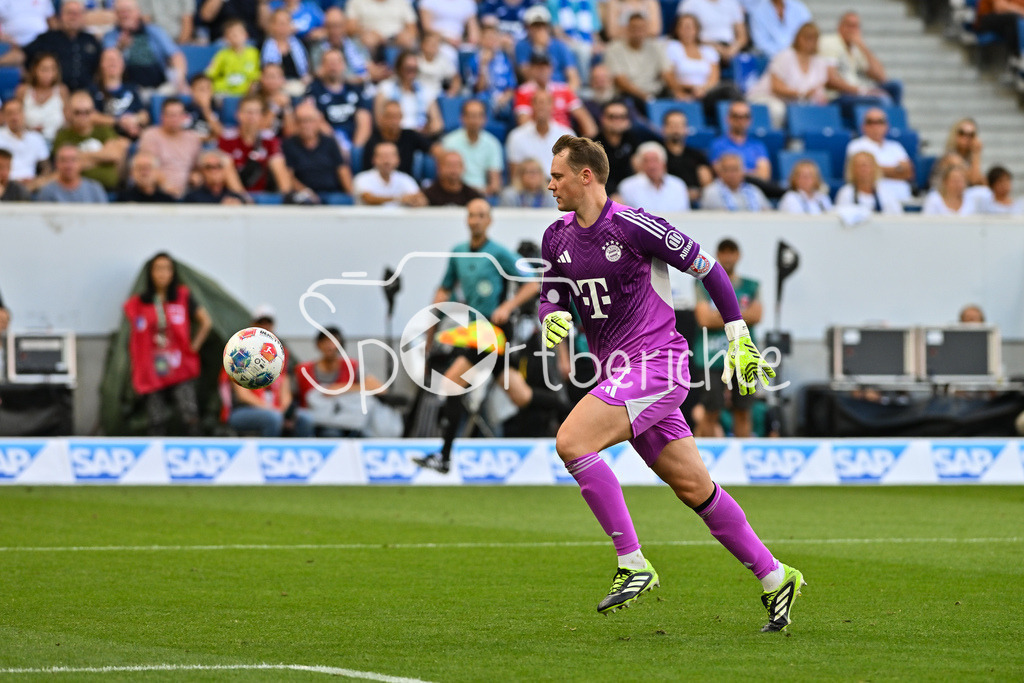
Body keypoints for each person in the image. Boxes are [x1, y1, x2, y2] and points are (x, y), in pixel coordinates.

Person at [538, 134, 802, 629]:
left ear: (585, 176)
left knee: (572, 442)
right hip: (619, 373)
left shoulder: (636, 226)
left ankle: (632, 563)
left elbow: (708, 267)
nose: (549, 184)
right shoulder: (556, 237)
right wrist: (550, 315)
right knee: (694, 487)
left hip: (658, 366)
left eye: (557, 175)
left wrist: (737, 331)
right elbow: (551, 290)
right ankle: (775, 575)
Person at [414, 198, 563, 474]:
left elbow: (532, 283)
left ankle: (444, 457)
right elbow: (444, 290)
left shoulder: (500, 253)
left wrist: (507, 306)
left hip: (492, 332)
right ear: (466, 219)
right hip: (474, 332)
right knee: (520, 394)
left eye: (482, 215)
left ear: (489, 220)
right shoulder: (458, 252)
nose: (476, 220)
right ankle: (567, 406)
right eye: (472, 215)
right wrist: (432, 324)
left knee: (450, 383)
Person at [124, 252, 211, 436]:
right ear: (151, 273)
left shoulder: (182, 296)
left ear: (173, 273)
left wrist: (193, 347)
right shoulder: (140, 303)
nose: (162, 273)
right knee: (156, 418)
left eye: (166, 269)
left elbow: (206, 322)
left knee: (190, 413)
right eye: (158, 269)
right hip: (153, 367)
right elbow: (134, 338)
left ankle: (196, 452)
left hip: (179, 364)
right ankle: (155, 457)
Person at [747, 22, 879, 131]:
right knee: (778, 110)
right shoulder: (785, 56)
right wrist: (802, 94)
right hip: (768, 98)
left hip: (797, 105)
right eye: (806, 37)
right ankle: (777, 140)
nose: (810, 42)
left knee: (821, 114)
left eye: (814, 38)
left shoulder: (819, 62)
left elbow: (819, 92)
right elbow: (776, 87)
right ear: (798, 38)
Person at [692, 238, 762, 438]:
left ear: (738, 255)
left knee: (743, 410)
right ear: (718, 254)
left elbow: (757, 315)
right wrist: (740, 314)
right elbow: (704, 318)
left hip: (743, 355)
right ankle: (709, 459)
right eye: (724, 252)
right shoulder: (704, 285)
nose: (728, 256)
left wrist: (720, 315)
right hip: (712, 356)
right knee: (711, 409)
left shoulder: (751, 285)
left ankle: (740, 458)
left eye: (732, 252)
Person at [224, 309, 314, 437]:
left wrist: (285, 411)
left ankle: (305, 454)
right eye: (260, 323)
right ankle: (269, 455)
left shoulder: (281, 354)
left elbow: (285, 390)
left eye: (268, 323)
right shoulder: (238, 351)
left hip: (275, 409)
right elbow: (242, 395)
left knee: (306, 418)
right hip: (243, 410)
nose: (265, 327)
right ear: (252, 325)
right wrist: (273, 410)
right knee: (274, 418)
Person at [295, 325, 386, 436]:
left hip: (346, 421)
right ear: (318, 344)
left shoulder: (352, 367)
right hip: (313, 420)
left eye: (334, 342)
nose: (330, 346)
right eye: (325, 341)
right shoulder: (303, 370)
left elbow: (380, 389)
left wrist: (343, 388)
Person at [665, 14, 742, 125]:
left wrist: (703, 89)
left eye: (690, 27)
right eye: (683, 27)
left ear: (697, 30)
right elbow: (669, 76)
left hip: (705, 94)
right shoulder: (672, 47)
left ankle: (741, 119)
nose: (687, 31)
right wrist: (690, 88)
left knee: (729, 87)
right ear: (677, 29)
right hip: (683, 92)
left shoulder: (708, 51)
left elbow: (714, 78)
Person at [819, 11, 902, 106]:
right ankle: (878, 120)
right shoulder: (830, 42)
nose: (853, 30)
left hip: (859, 92)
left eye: (856, 26)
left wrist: (863, 47)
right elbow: (831, 80)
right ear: (840, 27)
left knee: (896, 86)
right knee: (882, 100)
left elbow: (881, 77)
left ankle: (888, 120)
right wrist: (863, 91)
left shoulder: (856, 48)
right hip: (839, 95)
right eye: (849, 25)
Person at [103, 0, 187, 94]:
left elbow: (176, 55)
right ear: (115, 14)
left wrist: (179, 80)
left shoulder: (154, 30)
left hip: (160, 86)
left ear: (138, 12)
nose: (125, 15)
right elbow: (108, 62)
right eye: (121, 12)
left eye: (128, 11)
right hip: (129, 89)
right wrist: (120, 49)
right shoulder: (111, 36)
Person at [52, 90, 129, 192]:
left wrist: (79, 159)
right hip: (74, 191)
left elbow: (114, 155)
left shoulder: (104, 130)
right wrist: (102, 157)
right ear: (69, 112)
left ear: (93, 112)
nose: (82, 117)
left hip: (109, 190)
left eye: (87, 112)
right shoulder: (63, 135)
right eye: (77, 112)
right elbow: (62, 166)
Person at [218, 94, 292, 194]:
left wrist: (286, 194)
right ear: (238, 114)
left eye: (256, 112)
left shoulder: (268, 138)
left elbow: (278, 166)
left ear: (262, 116)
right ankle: (243, 198)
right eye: (248, 112)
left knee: (278, 161)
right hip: (234, 196)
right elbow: (226, 168)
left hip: (264, 193)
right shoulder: (227, 137)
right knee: (224, 161)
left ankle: (287, 199)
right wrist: (243, 199)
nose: (251, 116)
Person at [21, 1, 102, 92]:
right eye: (69, 13)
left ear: (83, 17)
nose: (73, 17)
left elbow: (100, 69)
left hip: (86, 93)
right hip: (54, 93)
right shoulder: (47, 38)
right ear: (61, 16)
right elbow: (24, 57)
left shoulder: (91, 40)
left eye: (77, 13)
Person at [513, 53, 597, 139]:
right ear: (531, 69)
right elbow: (523, 122)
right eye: (538, 67)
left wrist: (585, 143)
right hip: (537, 135)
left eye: (545, 67)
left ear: (551, 68)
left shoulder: (563, 90)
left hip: (564, 137)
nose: (542, 70)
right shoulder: (523, 92)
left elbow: (584, 118)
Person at [305, 48, 372, 153]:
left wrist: (356, 149)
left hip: (354, 141)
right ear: (322, 66)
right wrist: (338, 146)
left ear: (344, 65)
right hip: (328, 144)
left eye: (336, 62)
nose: (333, 66)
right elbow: (317, 121)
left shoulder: (354, 88)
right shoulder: (314, 89)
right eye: (329, 63)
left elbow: (364, 120)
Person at [604, 13, 672, 114]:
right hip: (630, 94)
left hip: (655, 93)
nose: (638, 31)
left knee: (672, 98)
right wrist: (645, 97)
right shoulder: (614, 48)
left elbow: (667, 73)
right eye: (634, 28)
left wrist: (680, 93)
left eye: (641, 28)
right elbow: (620, 81)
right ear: (627, 29)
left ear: (647, 29)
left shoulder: (656, 47)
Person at [282, 101, 351, 200]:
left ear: (319, 122)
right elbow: (289, 176)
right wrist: (306, 192)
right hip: (304, 196)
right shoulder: (289, 144)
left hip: (332, 193)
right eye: (300, 121)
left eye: (309, 120)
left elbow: (342, 169)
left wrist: (351, 195)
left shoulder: (329, 142)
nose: (305, 125)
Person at [137, 96, 204, 198]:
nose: (174, 119)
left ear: (184, 117)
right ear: (162, 116)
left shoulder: (193, 138)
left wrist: (196, 176)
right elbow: (146, 167)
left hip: (188, 192)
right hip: (157, 192)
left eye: (178, 115)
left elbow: (196, 168)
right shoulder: (150, 135)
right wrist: (166, 187)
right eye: (171, 115)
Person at [845, 106, 914, 203]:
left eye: (880, 122)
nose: (875, 126)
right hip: (877, 201)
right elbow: (863, 173)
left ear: (887, 125)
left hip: (903, 198)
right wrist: (897, 169)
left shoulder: (896, 146)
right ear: (863, 126)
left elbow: (909, 173)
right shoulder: (856, 145)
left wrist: (877, 169)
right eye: (870, 122)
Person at [505, 90, 575, 182]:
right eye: (538, 103)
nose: (542, 107)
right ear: (532, 106)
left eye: (546, 103)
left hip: (558, 188)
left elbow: (572, 171)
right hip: (527, 188)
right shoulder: (516, 136)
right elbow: (515, 176)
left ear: (553, 106)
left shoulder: (567, 135)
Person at [440, 98, 504, 196]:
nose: (474, 120)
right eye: (471, 116)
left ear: (485, 119)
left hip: (482, 194)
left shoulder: (493, 144)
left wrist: (482, 191)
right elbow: (444, 176)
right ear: (462, 118)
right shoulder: (449, 142)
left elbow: (495, 184)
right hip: (455, 193)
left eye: (479, 116)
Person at [373, 50, 444, 137]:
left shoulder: (425, 90)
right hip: (396, 135)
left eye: (414, 69)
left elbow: (437, 122)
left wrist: (428, 131)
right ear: (399, 68)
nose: (411, 73)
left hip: (420, 136)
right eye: (408, 68)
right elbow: (379, 120)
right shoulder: (386, 88)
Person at [594, 99, 658, 195]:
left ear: (627, 120)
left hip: (632, 193)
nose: (617, 121)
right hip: (604, 195)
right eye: (612, 117)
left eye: (622, 117)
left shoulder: (634, 140)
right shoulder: (593, 146)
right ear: (603, 119)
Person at [708, 100, 773, 193]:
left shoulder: (758, 145)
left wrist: (735, 171)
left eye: (745, 117)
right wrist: (753, 172)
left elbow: (764, 175)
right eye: (736, 116)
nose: (740, 121)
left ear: (750, 120)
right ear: (728, 118)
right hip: (728, 190)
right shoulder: (718, 145)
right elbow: (722, 173)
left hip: (757, 189)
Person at [514, 5, 581, 92]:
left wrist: (566, 96)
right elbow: (528, 77)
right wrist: (539, 48)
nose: (539, 29)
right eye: (535, 26)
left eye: (542, 25)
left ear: (548, 27)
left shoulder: (560, 46)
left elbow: (573, 77)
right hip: (536, 93)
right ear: (528, 28)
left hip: (560, 90)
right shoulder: (521, 46)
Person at [361, 99, 435, 176]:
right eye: (390, 116)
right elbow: (368, 172)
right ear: (382, 118)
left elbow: (434, 149)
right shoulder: (372, 140)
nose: (394, 121)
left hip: (405, 182)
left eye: (397, 116)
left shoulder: (410, 135)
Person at [91, 47, 149, 140]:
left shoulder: (132, 88)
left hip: (135, 135)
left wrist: (134, 119)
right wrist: (118, 121)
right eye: (108, 59)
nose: (112, 62)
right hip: (108, 137)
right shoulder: (93, 90)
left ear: (123, 64)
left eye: (116, 59)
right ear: (101, 64)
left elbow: (144, 115)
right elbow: (91, 116)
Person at [616, 141, 691, 213]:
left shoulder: (678, 185)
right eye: (646, 161)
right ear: (640, 164)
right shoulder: (628, 186)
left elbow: (686, 216)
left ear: (663, 163)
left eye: (655, 160)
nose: (651, 166)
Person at [661, 109, 712, 205]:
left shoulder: (697, 155)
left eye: (680, 125)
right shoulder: (658, 155)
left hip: (695, 202)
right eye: (672, 125)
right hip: (665, 200)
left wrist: (699, 192)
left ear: (686, 129)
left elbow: (707, 183)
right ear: (664, 128)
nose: (676, 130)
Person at [15, 52, 68, 144]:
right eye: (44, 69)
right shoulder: (23, 91)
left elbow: (68, 120)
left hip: (56, 142)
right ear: (35, 70)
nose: (48, 74)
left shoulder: (62, 91)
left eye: (52, 69)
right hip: (27, 141)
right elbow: (15, 116)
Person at [352, 140, 425, 206]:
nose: (386, 161)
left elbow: (420, 198)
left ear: (398, 159)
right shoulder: (362, 178)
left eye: (391, 156)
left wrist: (418, 201)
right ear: (373, 159)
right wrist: (399, 199)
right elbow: (368, 199)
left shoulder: (406, 179)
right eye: (382, 156)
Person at [675, 0, 748, 64]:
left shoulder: (732, 3)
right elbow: (683, 32)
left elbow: (742, 35)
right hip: (702, 46)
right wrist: (715, 47)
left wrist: (732, 49)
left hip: (730, 47)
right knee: (710, 55)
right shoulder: (690, 3)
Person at [0, 99, 51, 190]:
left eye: (17, 112)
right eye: (10, 113)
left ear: (24, 114)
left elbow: (46, 168)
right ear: (3, 116)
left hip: (33, 186)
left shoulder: (36, 138)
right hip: (5, 185)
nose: (14, 117)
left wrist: (38, 181)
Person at [833, 150, 903, 215]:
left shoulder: (887, 193)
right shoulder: (846, 193)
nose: (863, 170)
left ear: (874, 168)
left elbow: (897, 219)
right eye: (858, 166)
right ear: (852, 170)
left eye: (865, 165)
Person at [260, 7, 311, 96]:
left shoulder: (301, 44)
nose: (283, 26)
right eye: (280, 23)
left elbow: (307, 70)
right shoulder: (262, 46)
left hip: (299, 83)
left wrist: (306, 78)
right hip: (274, 86)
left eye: (286, 23)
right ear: (272, 25)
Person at [206, 18, 261, 97]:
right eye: (231, 34)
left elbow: (258, 73)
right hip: (226, 91)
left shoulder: (254, 53)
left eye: (239, 33)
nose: (235, 36)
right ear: (226, 38)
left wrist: (254, 84)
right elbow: (210, 73)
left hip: (248, 91)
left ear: (246, 35)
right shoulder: (222, 54)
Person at [36, 144, 109, 202]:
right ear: (56, 164)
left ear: (81, 163)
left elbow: (104, 216)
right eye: (63, 160)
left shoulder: (94, 189)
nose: (68, 165)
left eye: (73, 160)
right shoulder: (47, 191)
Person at [701, 152, 770, 211]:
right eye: (727, 170)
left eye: (735, 169)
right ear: (720, 172)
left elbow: (768, 214)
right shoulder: (711, 192)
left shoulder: (754, 191)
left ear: (743, 171)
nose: (732, 174)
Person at [344, 0, 418, 53]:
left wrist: (403, 35)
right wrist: (364, 32)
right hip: (370, 38)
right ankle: (370, 70)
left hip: (396, 39)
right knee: (368, 40)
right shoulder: (356, 2)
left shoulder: (401, 2)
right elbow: (350, 28)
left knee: (408, 40)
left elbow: (413, 29)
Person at [747, 0, 812, 59]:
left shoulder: (799, 8)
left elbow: (808, 31)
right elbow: (760, 43)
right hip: (771, 59)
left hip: (799, 55)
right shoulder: (758, 11)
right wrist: (783, 55)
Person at [183, 149, 248, 203]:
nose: (214, 171)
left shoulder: (235, 198)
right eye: (209, 167)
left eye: (218, 166)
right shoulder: (192, 198)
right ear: (202, 171)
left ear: (224, 170)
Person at [251, 63, 296, 139]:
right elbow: (258, 128)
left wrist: (287, 108)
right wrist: (274, 107)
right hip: (260, 142)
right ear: (261, 77)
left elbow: (291, 133)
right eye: (269, 76)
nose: (273, 80)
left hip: (281, 144)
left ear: (283, 79)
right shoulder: (254, 98)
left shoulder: (289, 99)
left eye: (277, 76)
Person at [416, 31, 462, 101]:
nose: (433, 46)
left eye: (436, 44)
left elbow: (456, 78)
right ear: (422, 45)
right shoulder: (415, 60)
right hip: (418, 95)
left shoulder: (443, 61)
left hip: (437, 97)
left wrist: (451, 92)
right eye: (430, 44)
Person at [944, 118, 985, 187]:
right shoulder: (950, 157)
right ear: (954, 134)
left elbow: (983, 182)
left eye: (971, 135)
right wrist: (976, 153)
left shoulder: (968, 158)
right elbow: (974, 180)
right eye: (962, 133)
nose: (966, 138)